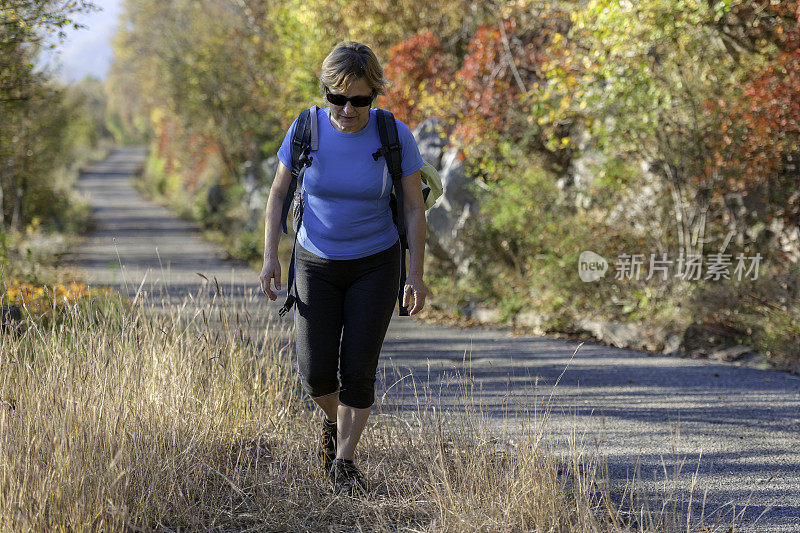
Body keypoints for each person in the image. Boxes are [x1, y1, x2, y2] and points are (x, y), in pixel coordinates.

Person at [258, 41, 429, 495]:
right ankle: (335, 424)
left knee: (358, 369)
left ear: (375, 95)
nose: (347, 110)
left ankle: (345, 463)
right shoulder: (305, 129)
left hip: (376, 262)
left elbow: (414, 208)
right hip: (315, 261)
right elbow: (278, 194)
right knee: (315, 373)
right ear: (325, 93)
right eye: (337, 98)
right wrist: (271, 255)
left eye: (359, 99)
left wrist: (414, 274)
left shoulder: (394, 135)